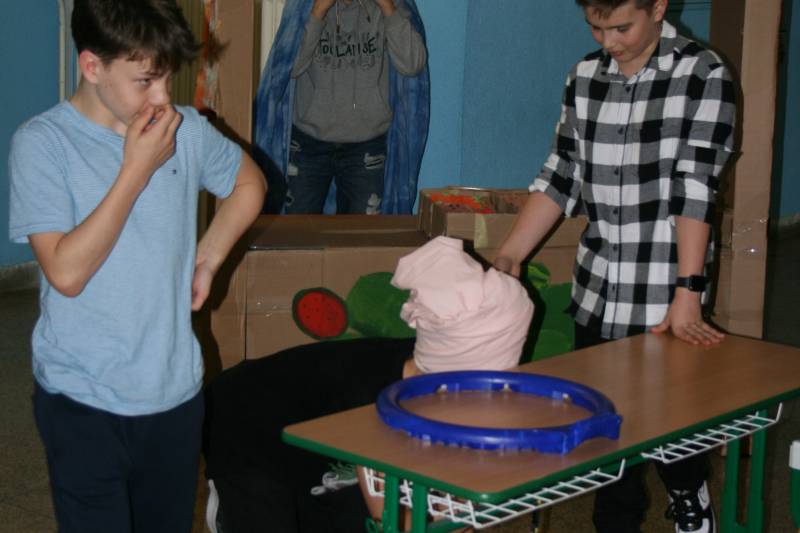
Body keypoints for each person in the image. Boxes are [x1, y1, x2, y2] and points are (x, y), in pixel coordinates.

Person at [7, 1, 266, 532]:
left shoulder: (185, 131)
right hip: (81, 400)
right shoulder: (42, 144)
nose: (162, 98)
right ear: (92, 66)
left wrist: (208, 258)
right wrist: (136, 170)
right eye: (146, 81)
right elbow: (66, 273)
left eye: (168, 78)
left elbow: (249, 183)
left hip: (173, 396)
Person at [492, 1, 735, 532]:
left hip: (666, 288)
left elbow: (696, 189)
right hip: (598, 288)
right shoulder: (584, 76)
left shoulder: (702, 73)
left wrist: (689, 292)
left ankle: (688, 492)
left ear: (659, 6)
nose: (609, 42)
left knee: (671, 425)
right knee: (606, 435)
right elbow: (561, 174)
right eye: (596, 28)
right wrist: (509, 255)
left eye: (622, 27)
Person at [203, 237, 534, 532]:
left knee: (342, 505)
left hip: (317, 416)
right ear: (447, 379)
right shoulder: (376, 408)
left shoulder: (434, 375)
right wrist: (451, 520)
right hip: (245, 420)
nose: (492, 396)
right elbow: (390, 523)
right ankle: (226, 515)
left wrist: (457, 514)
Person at [256, 0, 428, 215]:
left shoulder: (390, 7)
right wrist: (317, 12)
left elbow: (413, 64)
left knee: (361, 233)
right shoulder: (305, 6)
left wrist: (387, 8)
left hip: (366, 146)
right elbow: (287, 67)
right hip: (308, 143)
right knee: (298, 229)